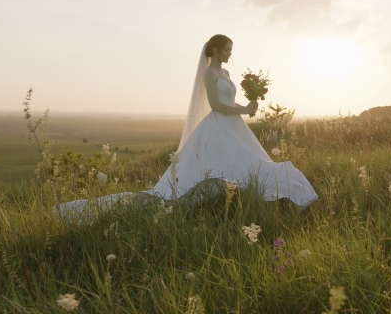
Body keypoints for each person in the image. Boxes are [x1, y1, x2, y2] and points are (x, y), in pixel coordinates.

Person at [53, 34, 318, 224]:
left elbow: (228, 101)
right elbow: (216, 105)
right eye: (226, 49)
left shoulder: (225, 75)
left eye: (230, 50)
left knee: (253, 162)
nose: (229, 54)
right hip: (218, 126)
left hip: (234, 125)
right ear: (213, 50)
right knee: (230, 165)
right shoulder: (210, 74)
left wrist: (246, 106)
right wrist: (244, 111)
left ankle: (274, 202)